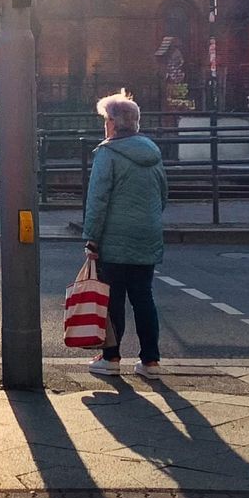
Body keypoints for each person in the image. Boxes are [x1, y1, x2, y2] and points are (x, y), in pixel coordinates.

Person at [82, 91, 170, 378]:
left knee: (113, 298)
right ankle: (150, 361)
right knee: (144, 298)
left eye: (105, 120)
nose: (104, 125)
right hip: (148, 235)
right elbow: (163, 194)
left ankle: (111, 357)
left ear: (113, 122)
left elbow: (98, 200)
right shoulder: (152, 152)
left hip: (114, 238)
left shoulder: (108, 153)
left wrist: (91, 238)